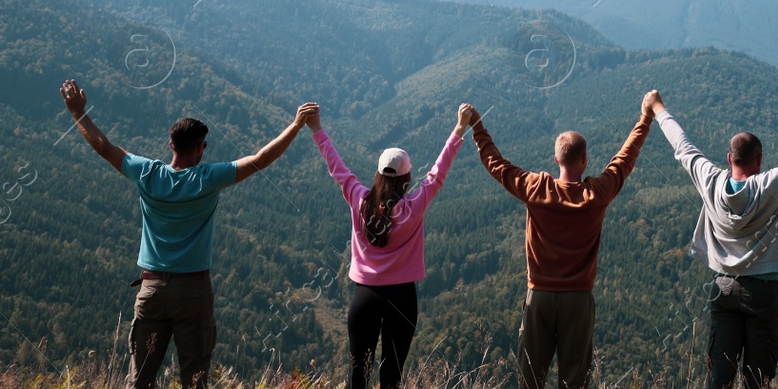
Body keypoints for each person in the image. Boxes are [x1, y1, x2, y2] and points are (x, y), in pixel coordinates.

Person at [58, 78, 314, 389]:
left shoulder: (147, 173)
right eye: (204, 146)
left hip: (151, 289)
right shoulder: (207, 179)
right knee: (195, 378)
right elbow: (261, 159)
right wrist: (297, 124)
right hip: (193, 291)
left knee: (139, 379)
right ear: (199, 148)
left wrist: (77, 112)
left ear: (171, 145)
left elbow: (104, 147)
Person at [649, 81, 778, 389]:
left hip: (722, 288)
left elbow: (682, 145)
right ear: (759, 160)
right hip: (764, 292)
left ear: (728, 158)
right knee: (757, 379)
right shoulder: (771, 185)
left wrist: (658, 108)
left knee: (719, 377)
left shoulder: (708, 179)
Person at [471, 93, 656, 389]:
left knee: (530, 378)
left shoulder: (536, 188)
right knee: (574, 380)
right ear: (584, 159)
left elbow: (497, 165)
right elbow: (625, 157)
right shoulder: (597, 194)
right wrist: (646, 117)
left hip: (539, 297)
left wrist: (477, 127)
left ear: (556, 159)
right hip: (578, 300)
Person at [306, 101, 475, 389]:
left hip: (365, 296)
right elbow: (437, 172)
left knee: (357, 376)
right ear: (407, 178)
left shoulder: (359, 200)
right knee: (391, 377)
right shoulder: (414, 206)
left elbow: (338, 169)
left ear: (378, 175)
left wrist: (317, 129)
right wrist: (460, 128)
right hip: (402, 298)